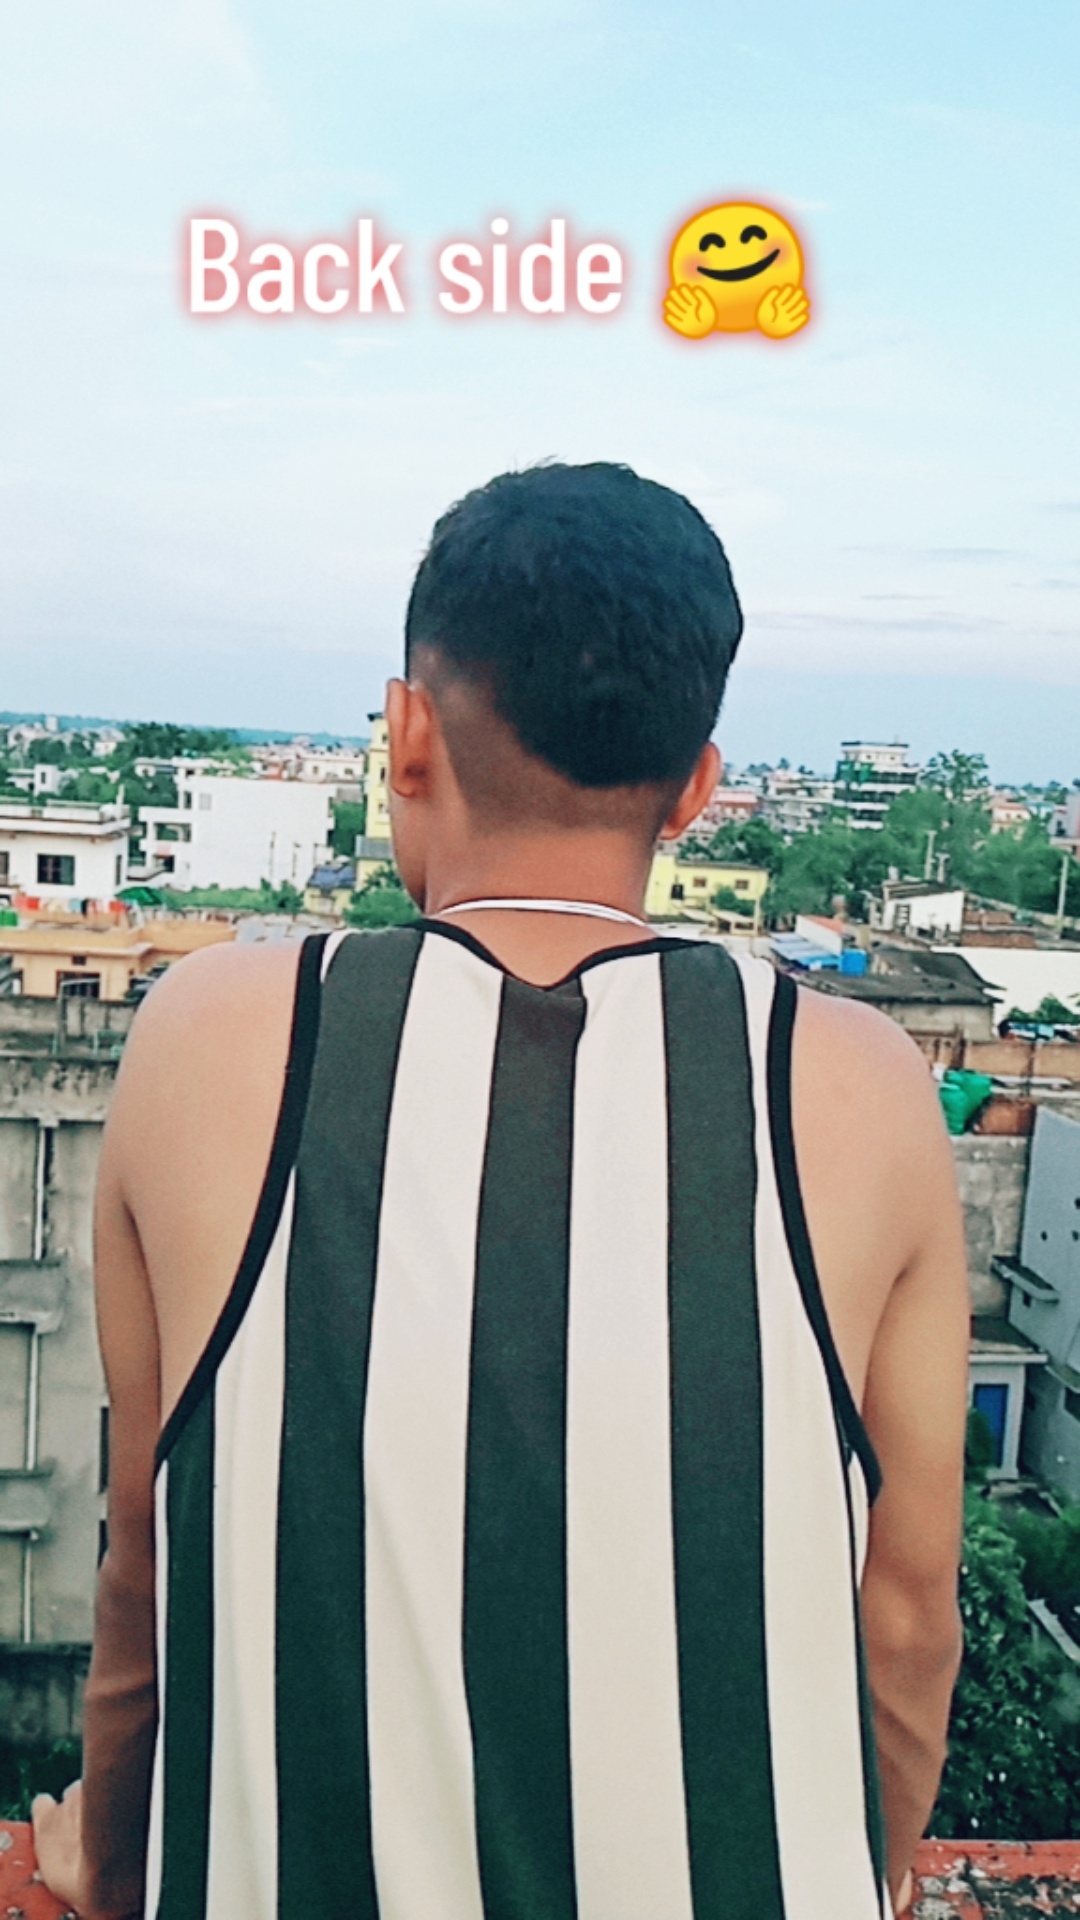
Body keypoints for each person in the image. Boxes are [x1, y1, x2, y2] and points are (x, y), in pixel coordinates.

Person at [33, 462, 966, 1920]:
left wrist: (107, 1863)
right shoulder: (853, 1082)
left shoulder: (215, 1038)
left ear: (408, 734)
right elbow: (905, 1622)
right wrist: (879, 1872)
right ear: (698, 787)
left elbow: (146, 1573)